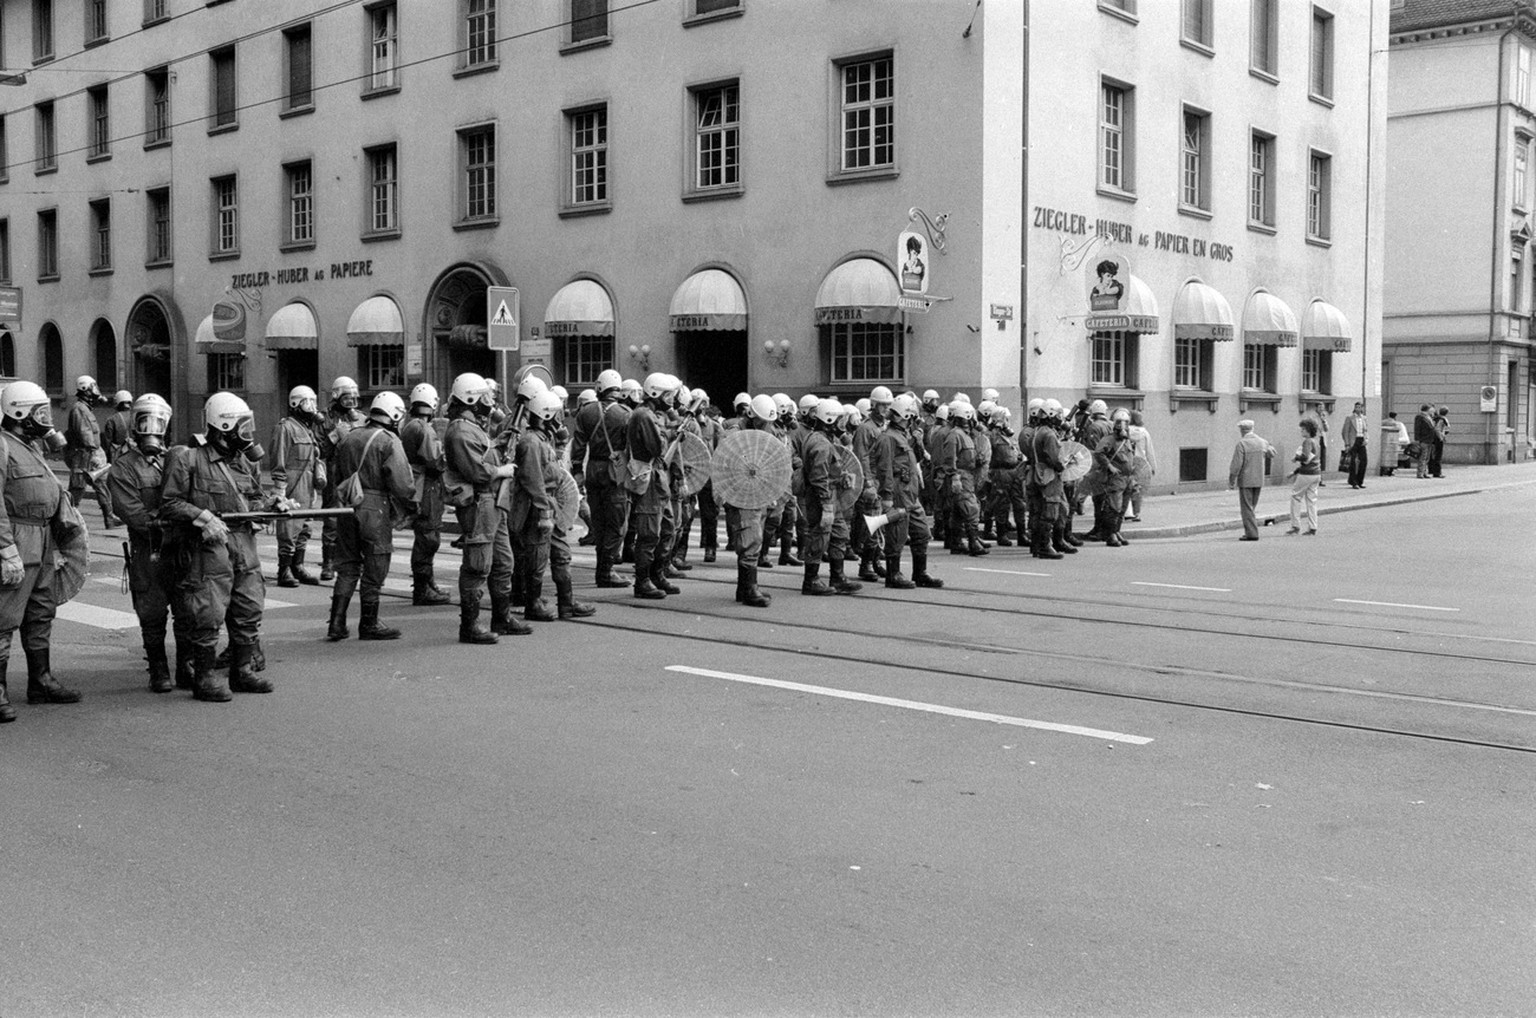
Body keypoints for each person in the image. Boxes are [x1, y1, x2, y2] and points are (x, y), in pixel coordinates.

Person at [161, 393, 293, 701]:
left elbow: (254, 499)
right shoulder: (188, 459)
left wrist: (274, 504)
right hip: (209, 546)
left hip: (243, 542)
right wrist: (202, 517)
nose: (248, 435)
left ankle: (241, 671)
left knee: (249, 606)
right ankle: (205, 678)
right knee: (208, 611)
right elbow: (170, 503)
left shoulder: (242, 463)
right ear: (223, 427)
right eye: (242, 428)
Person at [0, 381, 85, 722]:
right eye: (40, 412)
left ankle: (41, 681)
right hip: (17, 537)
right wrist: (5, 548)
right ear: (19, 412)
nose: (46, 419)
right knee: (3, 616)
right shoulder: (3, 446)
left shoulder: (28, 445)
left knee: (40, 612)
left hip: (43, 537)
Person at [104, 393, 191, 693]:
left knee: (186, 609)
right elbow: (131, 512)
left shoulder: (175, 459)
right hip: (149, 549)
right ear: (134, 425)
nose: (151, 427)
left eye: (158, 421)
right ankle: (158, 670)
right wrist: (167, 519)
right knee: (152, 613)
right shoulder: (123, 467)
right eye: (144, 420)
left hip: (179, 549)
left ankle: (186, 667)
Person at [327, 392, 416, 642]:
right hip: (374, 506)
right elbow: (403, 484)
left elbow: (337, 474)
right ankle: (369, 622)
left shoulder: (350, 436)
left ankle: (336, 622)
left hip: (347, 505)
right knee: (376, 564)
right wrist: (410, 507)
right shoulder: (389, 441)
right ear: (395, 415)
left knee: (347, 565)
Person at [443, 372, 523, 643]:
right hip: (478, 502)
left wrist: (500, 443)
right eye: (485, 397)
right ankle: (470, 626)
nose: (490, 402)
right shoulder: (460, 430)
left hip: (492, 502)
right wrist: (501, 470)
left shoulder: (473, 427)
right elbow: (476, 470)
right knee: (478, 565)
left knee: (503, 561)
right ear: (471, 399)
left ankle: (502, 618)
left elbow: (483, 451)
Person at [512, 389, 595, 622]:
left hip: (549, 505)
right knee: (537, 557)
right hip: (536, 509)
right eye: (556, 413)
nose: (561, 418)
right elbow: (532, 480)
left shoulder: (542, 440)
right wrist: (544, 513)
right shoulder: (530, 443)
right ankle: (533, 604)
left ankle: (567, 603)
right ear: (546, 414)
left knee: (561, 554)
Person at [869, 393, 943, 591]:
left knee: (921, 532)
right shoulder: (887, 438)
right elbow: (884, 469)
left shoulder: (904, 436)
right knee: (897, 534)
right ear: (906, 416)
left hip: (910, 493)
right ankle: (893, 574)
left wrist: (918, 442)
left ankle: (920, 572)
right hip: (898, 493)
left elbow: (914, 460)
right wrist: (886, 497)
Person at [570, 369, 631, 589]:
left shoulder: (586, 412)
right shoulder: (625, 414)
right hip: (615, 471)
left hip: (592, 469)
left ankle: (601, 569)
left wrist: (577, 469)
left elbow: (577, 445)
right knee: (616, 525)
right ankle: (606, 571)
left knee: (599, 522)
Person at [798, 398, 862, 596]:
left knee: (839, 534)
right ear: (828, 420)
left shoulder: (824, 440)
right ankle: (811, 580)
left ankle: (838, 576)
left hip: (831, 496)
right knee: (819, 536)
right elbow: (818, 477)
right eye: (839, 421)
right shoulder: (820, 444)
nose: (842, 425)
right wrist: (826, 505)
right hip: (822, 498)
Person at [627, 373, 681, 600]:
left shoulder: (651, 415)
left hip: (658, 480)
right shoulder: (644, 416)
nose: (670, 399)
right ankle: (643, 580)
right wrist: (671, 433)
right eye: (667, 395)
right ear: (656, 393)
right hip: (649, 479)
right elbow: (657, 448)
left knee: (667, 528)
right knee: (649, 534)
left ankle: (657, 573)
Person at [268, 385, 324, 588]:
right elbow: (279, 457)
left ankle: (297, 565)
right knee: (289, 526)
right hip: (292, 483)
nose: (312, 407)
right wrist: (280, 488)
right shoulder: (285, 427)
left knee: (305, 526)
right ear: (295, 403)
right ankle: (284, 569)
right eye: (307, 402)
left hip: (307, 485)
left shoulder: (308, 429)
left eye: (313, 402)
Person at [401, 383, 450, 606]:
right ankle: (423, 589)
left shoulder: (410, 425)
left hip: (421, 486)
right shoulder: (423, 429)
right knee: (428, 538)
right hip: (427, 487)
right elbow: (436, 462)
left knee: (426, 537)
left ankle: (426, 584)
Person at [317, 377, 367, 580]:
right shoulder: (324, 420)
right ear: (337, 396)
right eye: (347, 399)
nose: (352, 404)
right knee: (332, 518)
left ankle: (356, 560)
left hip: (356, 472)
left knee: (358, 518)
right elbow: (317, 450)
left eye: (355, 399)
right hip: (334, 471)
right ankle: (328, 563)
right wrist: (334, 436)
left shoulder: (362, 419)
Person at [64, 374, 117, 529]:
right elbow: (84, 433)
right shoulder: (79, 409)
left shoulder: (85, 409)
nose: (95, 391)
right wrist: (94, 452)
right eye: (93, 387)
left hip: (90, 455)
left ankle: (109, 517)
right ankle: (66, 520)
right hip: (83, 455)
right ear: (85, 389)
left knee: (102, 485)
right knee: (77, 489)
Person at [1091, 409, 1137, 548]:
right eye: (1119, 423)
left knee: (1122, 508)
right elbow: (1099, 453)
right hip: (1116, 478)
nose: (1122, 426)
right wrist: (1109, 466)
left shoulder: (1127, 440)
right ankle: (1110, 534)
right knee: (1113, 507)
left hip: (1127, 478)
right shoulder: (1109, 439)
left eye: (1125, 423)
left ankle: (1116, 531)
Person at [1228, 420, 1275, 541]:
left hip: (1246, 479)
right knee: (1252, 506)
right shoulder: (1262, 442)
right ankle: (1251, 530)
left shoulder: (1242, 444)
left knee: (1246, 507)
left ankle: (1251, 533)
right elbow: (1272, 453)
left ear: (1242, 430)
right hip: (1259, 479)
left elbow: (1236, 465)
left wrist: (1232, 479)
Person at [1286, 417, 1321, 536]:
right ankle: (1313, 527)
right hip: (1316, 473)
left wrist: (1296, 458)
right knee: (1312, 500)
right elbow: (1312, 459)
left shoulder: (1307, 441)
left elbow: (1305, 458)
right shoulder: (1316, 442)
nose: (1301, 432)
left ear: (1308, 430)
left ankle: (1295, 525)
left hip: (1306, 473)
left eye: (1303, 430)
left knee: (1296, 497)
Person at [1125, 409, 1156, 521]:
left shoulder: (1125, 431)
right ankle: (1136, 513)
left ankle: (1127, 512)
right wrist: (1152, 467)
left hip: (1127, 462)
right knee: (1138, 488)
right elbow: (1149, 451)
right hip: (1140, 464)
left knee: (1126, 486)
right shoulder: (1144, 433)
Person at [1341, 401, 1369, 489]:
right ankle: (1353, 482)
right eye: (1356, 407)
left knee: (1363, 461)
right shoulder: (1350, 418)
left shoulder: (1364, 418)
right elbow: (1345, 432)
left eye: (1360, 407)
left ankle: (1360, 481)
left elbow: (1366, 430)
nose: (1358, 409)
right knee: (1352, 462)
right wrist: (1347, 444)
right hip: (1353, 440)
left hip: (1361, 440)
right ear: (1354, 408)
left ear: (1362, 408)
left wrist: (1366, 439)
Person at [102, 390, 134, 464]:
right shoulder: (136, 417)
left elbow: (108, 442)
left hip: (118, 456)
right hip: (134, 455)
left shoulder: (112, 420)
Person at [1380, 411, 1410, 476]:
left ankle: (1384, 470)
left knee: (1385, 458)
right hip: (1394, 443)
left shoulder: (1383, 422)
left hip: (1385, 443)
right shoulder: (1398, 424)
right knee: (1392, 458)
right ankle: (1391, 470)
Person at [1412, 404, 1438, 479]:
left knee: (1427, 458)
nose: (1433, 410)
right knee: (1423, 457)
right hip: (1424, 439)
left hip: (1429, 440)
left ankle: (1424, 472)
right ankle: (1420, 473)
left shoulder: (1429, 417)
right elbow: (1417, 428)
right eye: (1431, 409)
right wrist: (1417, 439)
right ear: (1427, 409)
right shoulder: (1420, 417)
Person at [1431, 405, 1450, 477]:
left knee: (1434, 455)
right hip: (1438, 439)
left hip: (1433, 438)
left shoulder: (1434, 418)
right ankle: (1437, 472)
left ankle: (1433, 470)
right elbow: (1438, 429)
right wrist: (1441, 437)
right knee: (1438, 456)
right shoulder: (1442, 419)